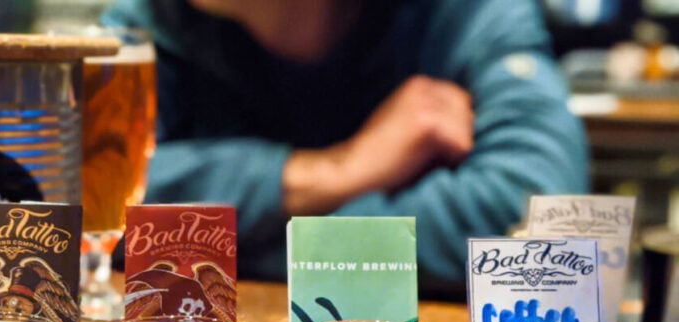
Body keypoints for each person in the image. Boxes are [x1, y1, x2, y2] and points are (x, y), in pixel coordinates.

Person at [102, 0, 590, 298]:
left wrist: (209, 242)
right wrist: (336, 171)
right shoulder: (148, 21)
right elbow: (84, 211)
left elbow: (538, 216)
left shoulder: (463, 12)